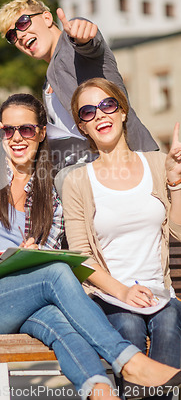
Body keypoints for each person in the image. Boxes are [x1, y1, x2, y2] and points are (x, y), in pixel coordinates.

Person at [0, 93, 181, 400]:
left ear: (40, 133)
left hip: (18, 304)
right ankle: (128, 361)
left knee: (60, 323)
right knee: (55, 273)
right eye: (7, 131)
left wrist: (30, 254)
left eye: (26, 130)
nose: (16, 138)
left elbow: (47, 265)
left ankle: (101, 392)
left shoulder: (49, 198)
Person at [62, 78, 181, 397]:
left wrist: (175, 183)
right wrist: (124, 292)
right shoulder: (77, 181)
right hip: (109, 295)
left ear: (123, 111)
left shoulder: (157, 164)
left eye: (107, 105)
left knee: (169, 323)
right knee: (127, 326)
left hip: (161, 293)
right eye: (88, 112)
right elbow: (81, 257)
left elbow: (178, 232)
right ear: (82, 127)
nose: (100, 114)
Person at [0, 0, 158, 179]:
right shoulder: (49, 81)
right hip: (91, 176)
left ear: (47, 18)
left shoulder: (72, 45)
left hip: (134, 164)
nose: (20, 35)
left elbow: (90, 44)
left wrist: (84, 35)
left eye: (23, 23)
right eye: (12, 35)